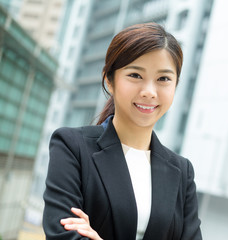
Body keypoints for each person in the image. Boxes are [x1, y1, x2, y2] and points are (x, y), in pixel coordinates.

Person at [42, 22, 202, 240]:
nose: (149, 92)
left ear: (176, 85)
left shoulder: (182, 172)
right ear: (110, 80)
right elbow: (62, 235)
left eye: (163, 79)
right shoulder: (72, 147)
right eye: (135, 75)